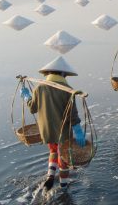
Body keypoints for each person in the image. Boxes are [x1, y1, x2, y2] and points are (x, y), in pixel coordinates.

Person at [19, 56, 86, 191]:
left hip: (47, 130)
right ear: (63, 74)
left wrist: (27, 96)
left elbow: (32, 107)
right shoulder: (68, 90)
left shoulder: (39, 88)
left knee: (53, 150)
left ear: (48, 73)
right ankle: (63, 186)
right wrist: (78, 130)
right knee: (64, 159)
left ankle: (50, 176)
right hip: (63, 131)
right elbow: (73, 115)